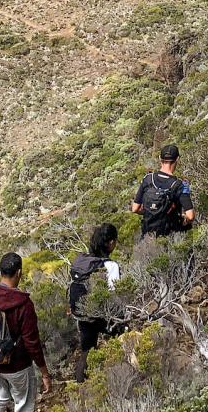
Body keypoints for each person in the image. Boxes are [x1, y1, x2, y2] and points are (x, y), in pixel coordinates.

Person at [0, 252, 52, 412]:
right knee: (24, 405)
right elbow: (32, 343)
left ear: (1, 271)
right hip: (19, 367)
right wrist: (44, 373)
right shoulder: (24, 304)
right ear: (19, 272)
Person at [69, 223, 123, 383]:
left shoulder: (81, 261)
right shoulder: (110, 266)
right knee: (123, 335)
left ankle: (80, 385)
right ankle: (121, 374)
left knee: (87, 349)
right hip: (101, 314)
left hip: (82, 313)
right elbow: (115, 294)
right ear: (111, 243)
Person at [131, 143, 195, 237]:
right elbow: (190, 216)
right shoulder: (179, 185)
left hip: (147, 236)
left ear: (160, 158)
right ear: (177, 159)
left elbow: (135, 208)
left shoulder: (148, 179)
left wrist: (153, 212)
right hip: (170, 236)